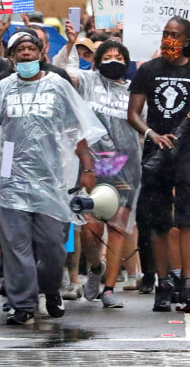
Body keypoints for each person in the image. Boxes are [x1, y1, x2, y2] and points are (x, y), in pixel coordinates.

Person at [0, 31, 106, 326]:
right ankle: (22, 303)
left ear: (40, 55)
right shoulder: (1, 90)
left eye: (30, 49)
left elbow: (76, 130)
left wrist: (87, 166)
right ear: (11, 58)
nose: (26, 54)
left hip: (50, 179)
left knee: (52, 246)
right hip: (12, 178)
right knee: (17, 246)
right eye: (20, 50)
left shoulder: (58, 87)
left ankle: (50, 289)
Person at [127, 16, 190, 313]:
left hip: (188, 154)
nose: (169, 39)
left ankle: (188, 284)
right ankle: (163, 283)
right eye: (166, 33)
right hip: (157, 155)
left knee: (188, 220)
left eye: (175, 34)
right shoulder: (149, 70)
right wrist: (151, 134)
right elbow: (133, 113)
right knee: (159, 223)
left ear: (187, 40)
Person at [55, 25, 142, 309]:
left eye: (119, 57)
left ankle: (108, 289)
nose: (113, 61)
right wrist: (69, 45)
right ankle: (94, 268)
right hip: (90, 167)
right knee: (91, 228)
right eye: (107, 57)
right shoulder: (87, 81)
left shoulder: (134, 92)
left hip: (126, 169)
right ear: (96, 61)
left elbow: (144, 128)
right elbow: (61, 72)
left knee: (118, 228)